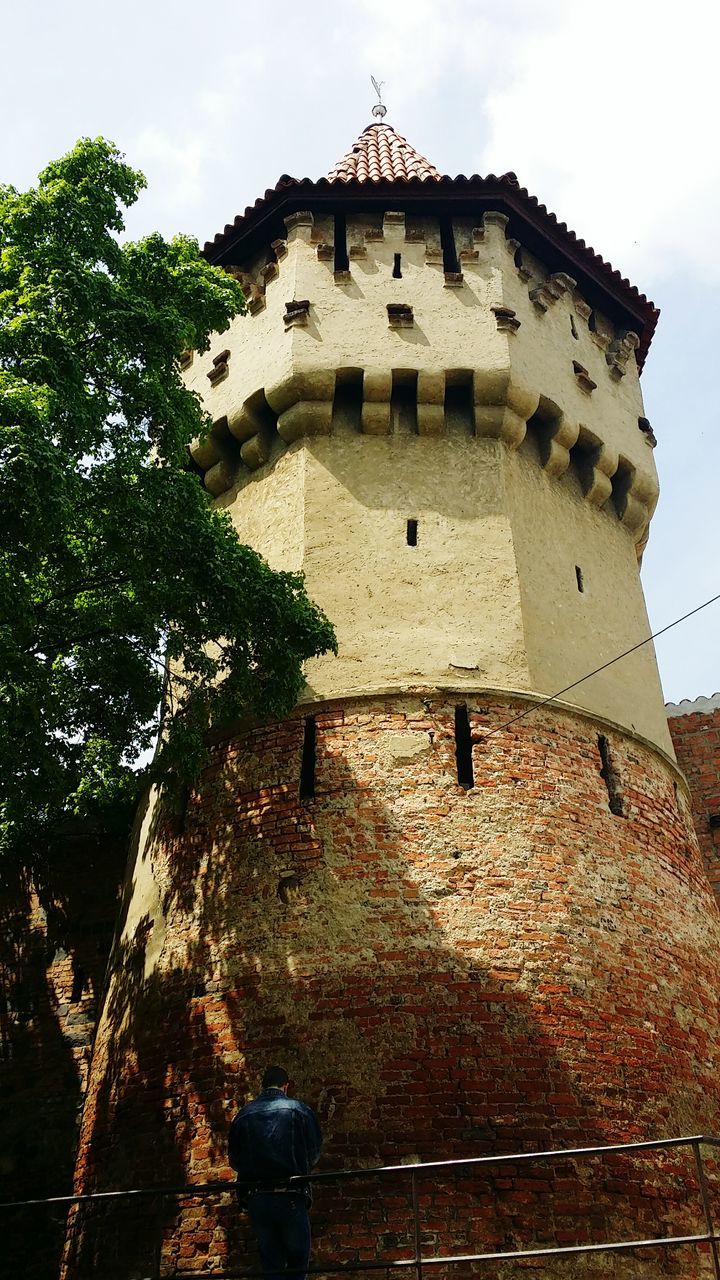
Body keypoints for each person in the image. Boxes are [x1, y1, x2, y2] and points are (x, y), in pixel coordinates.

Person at [228, 1065, 323, 1280]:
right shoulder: (300, 1110)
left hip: (257, 1198)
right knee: (298, 1263)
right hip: (291, 1194)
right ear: (286, 1086)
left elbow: (235, 1160)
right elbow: (314, 1152)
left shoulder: (243, 1116)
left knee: (271, 1266)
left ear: (262, 1086)